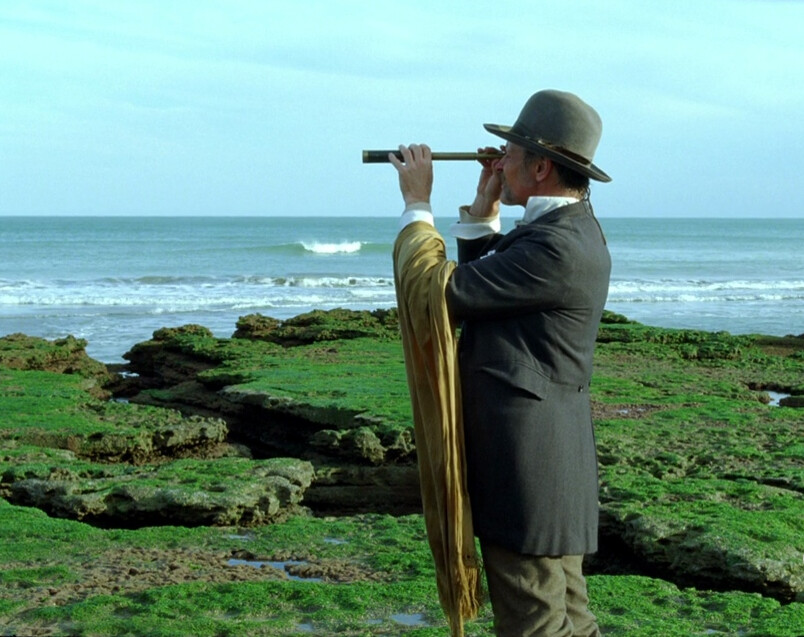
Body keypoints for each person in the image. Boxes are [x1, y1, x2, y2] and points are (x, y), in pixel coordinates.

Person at [390, 89, 611, 637]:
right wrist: (485, 210)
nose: (499, 160)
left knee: (533, 625)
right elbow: (494, 293)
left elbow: (442, 294)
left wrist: (418, 204)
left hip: (526, 474)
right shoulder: (561, 232)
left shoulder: (554, 247)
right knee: (568, 622)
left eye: (510, 152)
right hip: (549, 474)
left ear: (540, 167)